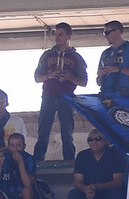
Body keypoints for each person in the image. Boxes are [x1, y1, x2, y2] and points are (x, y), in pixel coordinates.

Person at [32, 22, 88, 162]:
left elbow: (84, 82)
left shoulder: (76, 58)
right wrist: (49, 76)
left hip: (67, 98)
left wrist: (69, 77)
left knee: (67, 133)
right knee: (43, 131)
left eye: (60, 34)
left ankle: (69, 162)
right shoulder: (47, 55)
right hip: (48, 96)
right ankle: (38, 162)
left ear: (69, 36)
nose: (57, 37)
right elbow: (37, 78)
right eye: (56, 34)